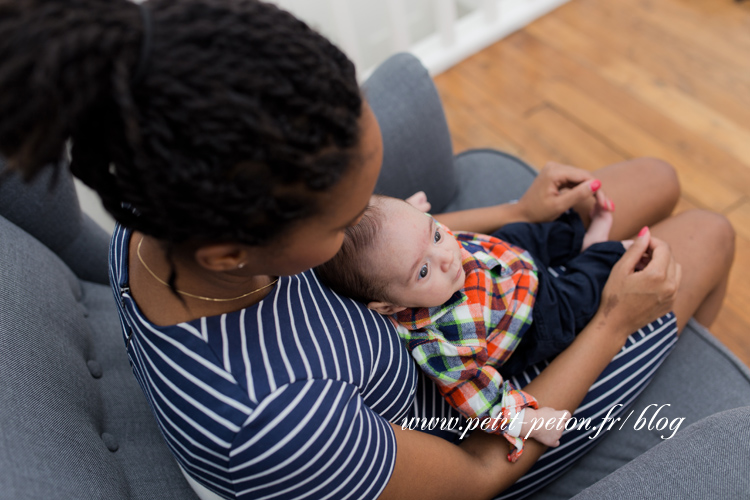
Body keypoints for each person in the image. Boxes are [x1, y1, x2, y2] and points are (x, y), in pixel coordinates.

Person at [0, 0, 735, 499]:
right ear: (232, 254)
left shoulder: (155, 203)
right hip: (474, 404)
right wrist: (613, 319)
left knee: (653, 180)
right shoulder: (275, 420)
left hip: (431, 296)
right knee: (709, 233)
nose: (367, 213)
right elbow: (476, 475)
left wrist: (517, 211)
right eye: (342, 216)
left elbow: (372, 247)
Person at [315, 193, 628, 461]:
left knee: (533, 233)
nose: (448, 258)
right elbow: (475, 395)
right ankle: (604, 253)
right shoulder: (437, 343)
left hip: (499, 257)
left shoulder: (417, 256)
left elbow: (396, 243)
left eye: (435, 234)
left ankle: (578, 237)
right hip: (532, 315)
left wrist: (408, 222)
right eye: (423, 270)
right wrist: (527, 420)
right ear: (389, 306)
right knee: (578, 298)